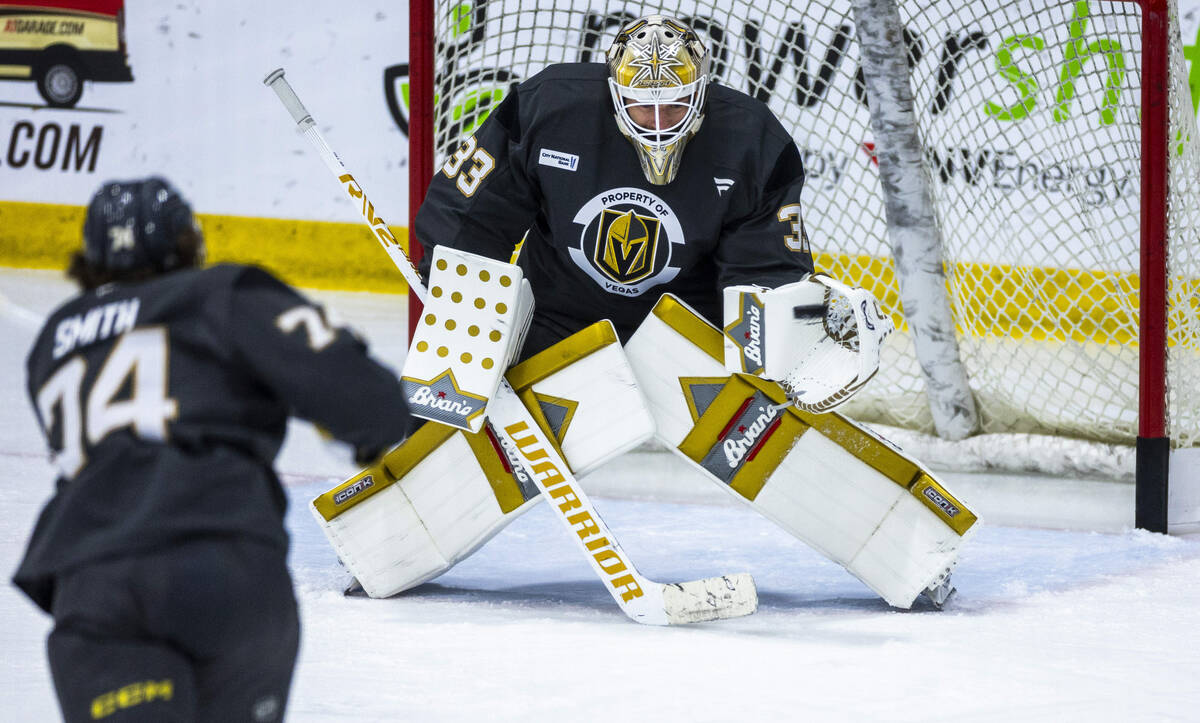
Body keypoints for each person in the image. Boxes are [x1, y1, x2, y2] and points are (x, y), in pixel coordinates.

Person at [13, 177, 412, 722]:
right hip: (225, 570)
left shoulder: (52, 343)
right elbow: (372, 402)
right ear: (188, 243)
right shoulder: (221, 294)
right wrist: (359, 429)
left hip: (99, 584)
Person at [415, 14, 814, 358]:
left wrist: (766, 348)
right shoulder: (546, 107)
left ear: (701, 92)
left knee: (760, 430)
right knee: (442, 417)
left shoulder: (754, 140)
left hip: (689, 332)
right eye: (644, 106)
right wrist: (458, 295)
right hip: (554, 320)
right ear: (615, 92)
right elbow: (474, 213)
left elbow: (764, 270)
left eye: (675, 104)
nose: (660, 123)